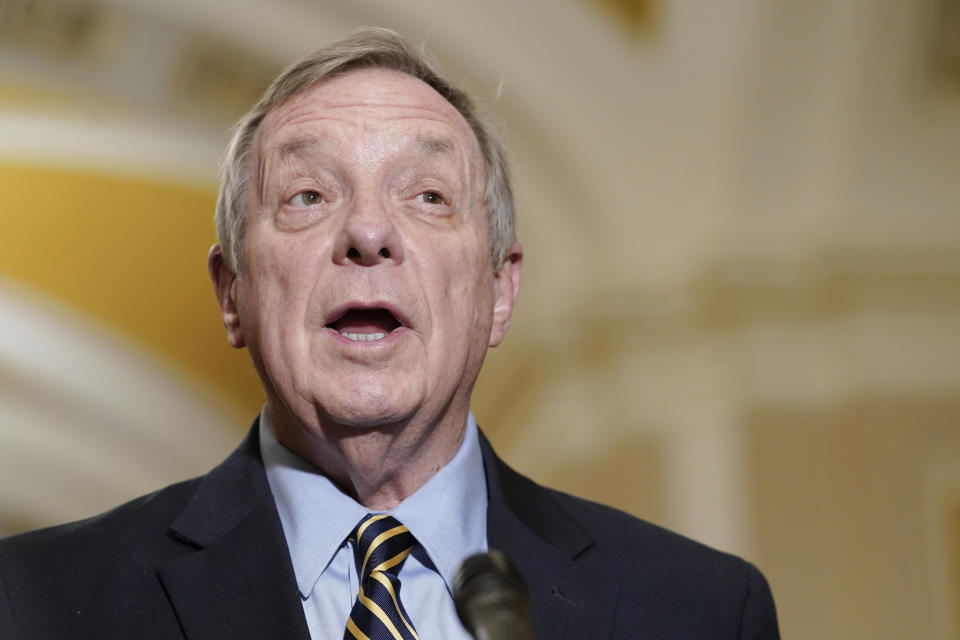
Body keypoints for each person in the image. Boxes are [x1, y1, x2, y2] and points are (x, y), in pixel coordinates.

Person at [0, 28, 779, 639]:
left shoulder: (698, 610)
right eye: (308, 194)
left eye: (429, 196)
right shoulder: (34, 602)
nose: (368, 231)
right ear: (231, 292)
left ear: (499, 292)